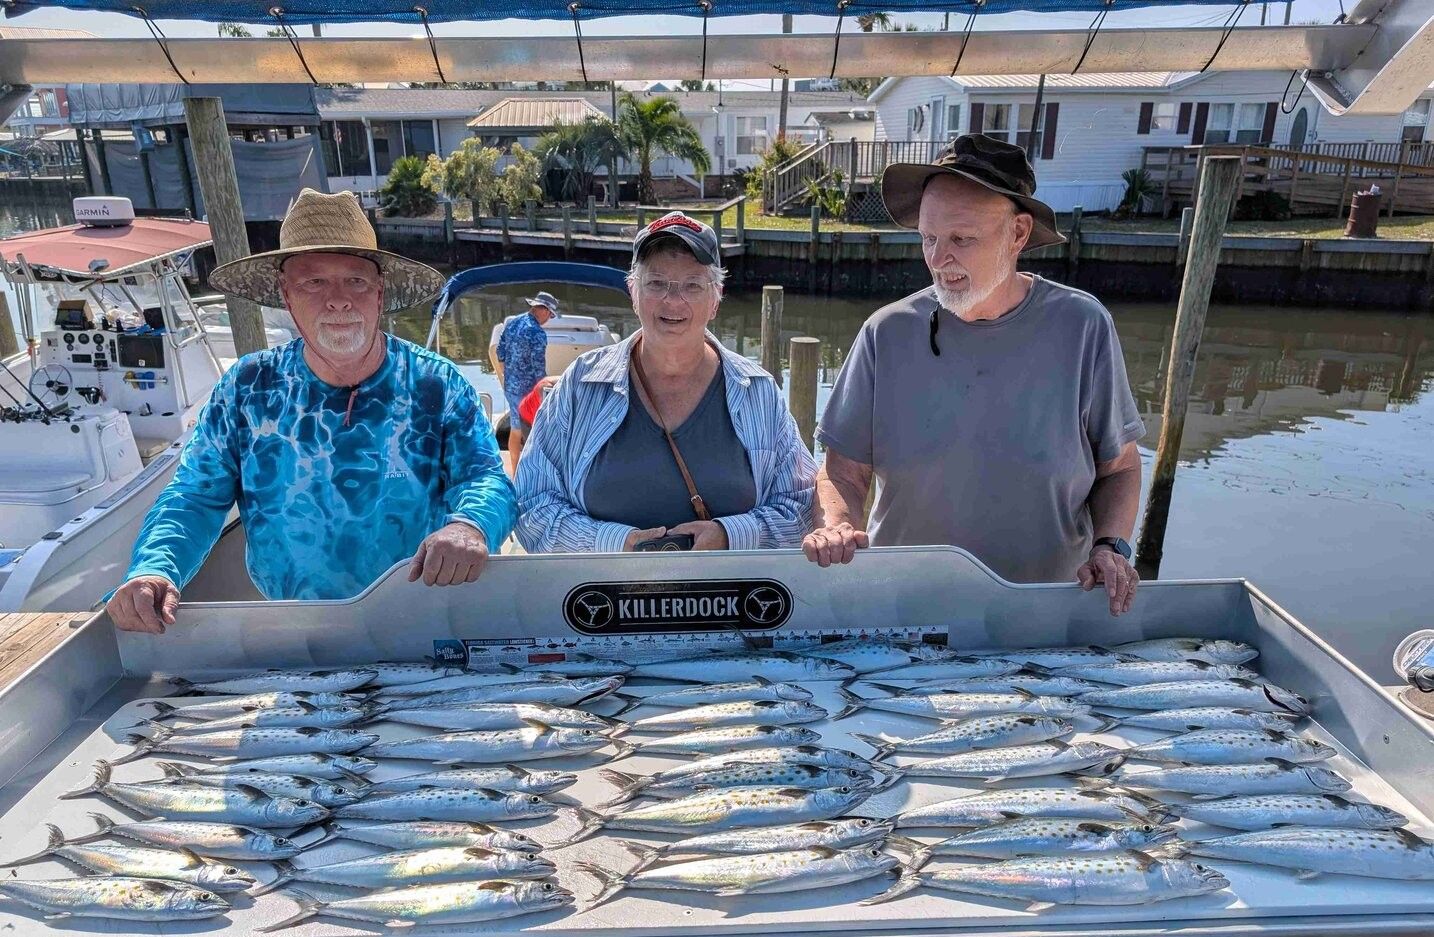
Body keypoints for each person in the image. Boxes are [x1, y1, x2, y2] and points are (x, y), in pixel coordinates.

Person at [107, 189, 518, 633]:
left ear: (379, 293)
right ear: (286, 296)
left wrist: (470, 525)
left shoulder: (436, 385)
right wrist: (154, 568)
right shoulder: (247, 387)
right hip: (290, 623)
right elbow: (195, 495)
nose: (338, 300)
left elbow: (484, 477)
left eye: (355, 281)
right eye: (314, 282)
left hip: (422, 614)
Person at [802, 135, 1145, 617]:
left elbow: (1121, 468)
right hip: (905, 609)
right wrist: (837, 523)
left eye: (962, 240)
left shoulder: (1084, 326)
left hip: (1046, 610)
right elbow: (842, 470)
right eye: (929, 238)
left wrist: (1111, 546)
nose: (940, 260)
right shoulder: (886, 332)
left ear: (1019, 234)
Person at [516, 211, 816, 553]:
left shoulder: (760, 392)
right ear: (633, 291)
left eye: (693, 285)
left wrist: (731, 535)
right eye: (656, 283)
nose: (673, 301)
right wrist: (616, 544)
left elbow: (802, 507)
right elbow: (530, 505)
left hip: (729, 602)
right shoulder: (580, 385)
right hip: (604, 601)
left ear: (716, 298)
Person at [495, 290, 557, 472]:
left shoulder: (513, 322)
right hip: (528, 391)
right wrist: (544, 392)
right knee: (533, 431)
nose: (549, 319)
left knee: (515, 428)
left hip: (511, 386)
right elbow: (539, 369)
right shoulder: (537, 333)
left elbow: (500, 352)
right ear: (544, 310)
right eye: (551, 315)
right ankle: (531, 473)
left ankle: (515, 471)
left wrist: (508, 375)